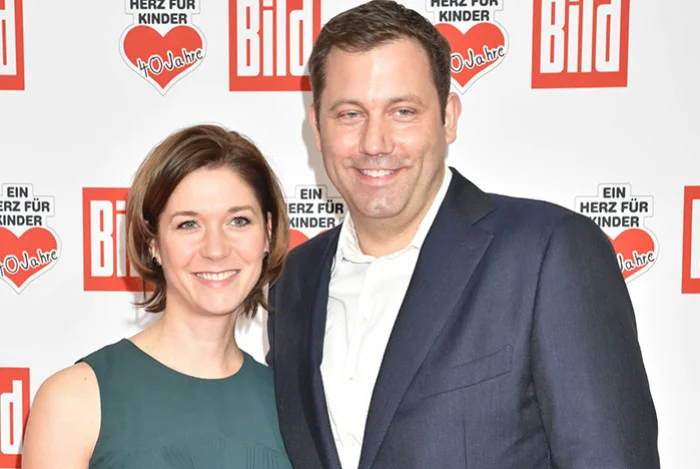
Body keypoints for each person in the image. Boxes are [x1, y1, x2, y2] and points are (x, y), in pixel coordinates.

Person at [266, 1, 660, 468]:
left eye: (403, 111)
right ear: (317, 126)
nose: (375, 143)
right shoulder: (293, 279)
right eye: (350, 114)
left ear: (448, 117)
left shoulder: (547, 253)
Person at [22, 124, 292, 468]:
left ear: (267, 233)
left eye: (238, 221)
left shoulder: (293, 409)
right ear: (153, 243)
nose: (215, 249)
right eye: (188, 224)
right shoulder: (75, 400)